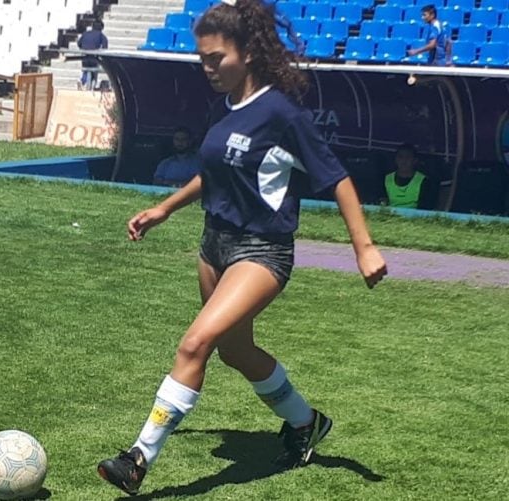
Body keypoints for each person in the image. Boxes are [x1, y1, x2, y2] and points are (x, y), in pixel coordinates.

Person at [96, 0, 387, 496]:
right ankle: (305, 422)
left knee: (195, 344)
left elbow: (336, 178)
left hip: (263, 251)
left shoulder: (281, 113)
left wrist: (364, 247)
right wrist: (165, 209)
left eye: (216, 58)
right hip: (215, 245)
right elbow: (213, 172)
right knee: (236, 349)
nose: (207, 68)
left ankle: (138, 457)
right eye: (202, 58)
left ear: (248, 52)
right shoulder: (225, 104)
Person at [381, 143, 438, 210]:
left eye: (408, 157)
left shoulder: (424, 181)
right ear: (395, 159)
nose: (404, 161)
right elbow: (382, 203)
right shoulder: (386, 179)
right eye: (400, 157)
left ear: (415, 160)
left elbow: (425, 208)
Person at [76, 19, 107, 91]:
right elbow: (105, 47)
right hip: (94, 57)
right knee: (94, 71)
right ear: (101, 28)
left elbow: (79, 44)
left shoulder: (85, 33)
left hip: (85, 56)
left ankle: (82, 81)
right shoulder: (101, 35)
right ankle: (92, 86)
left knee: (85, 70)